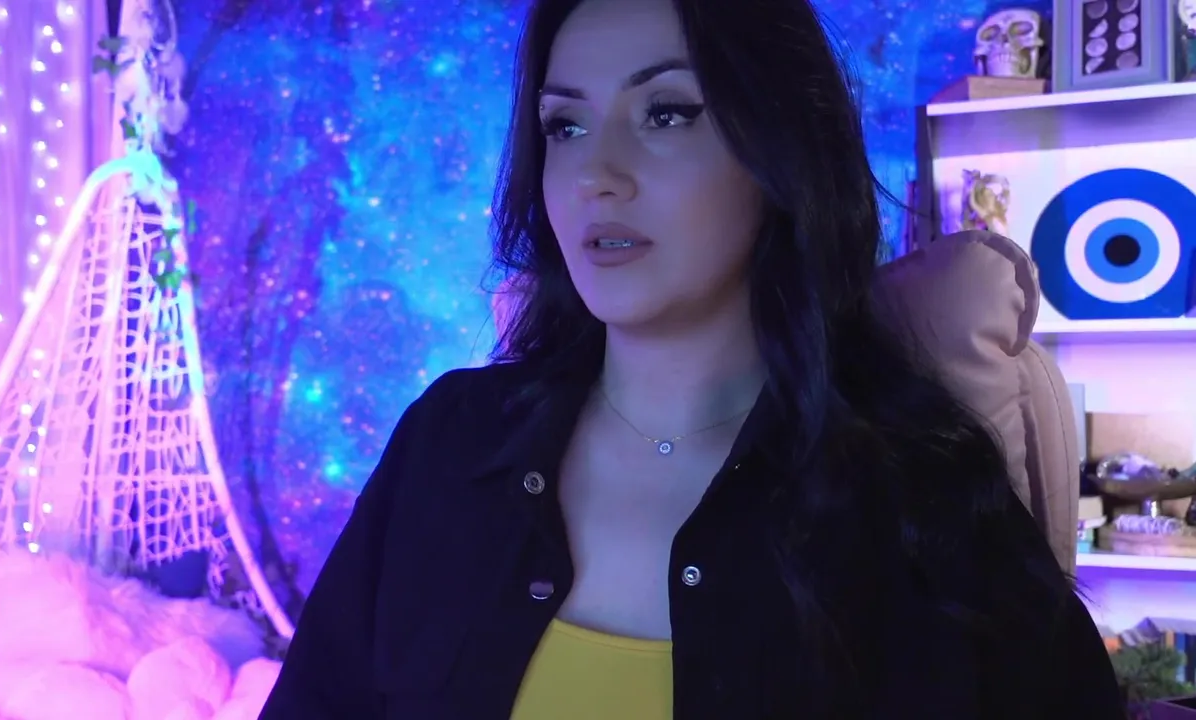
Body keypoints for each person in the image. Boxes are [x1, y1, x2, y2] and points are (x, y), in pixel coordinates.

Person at [260, 0, 1126, 717]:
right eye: (565, 125)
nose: (595, 174)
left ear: (779, 148)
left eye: (666, 113)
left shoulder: (918, 491)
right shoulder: (450, 443)